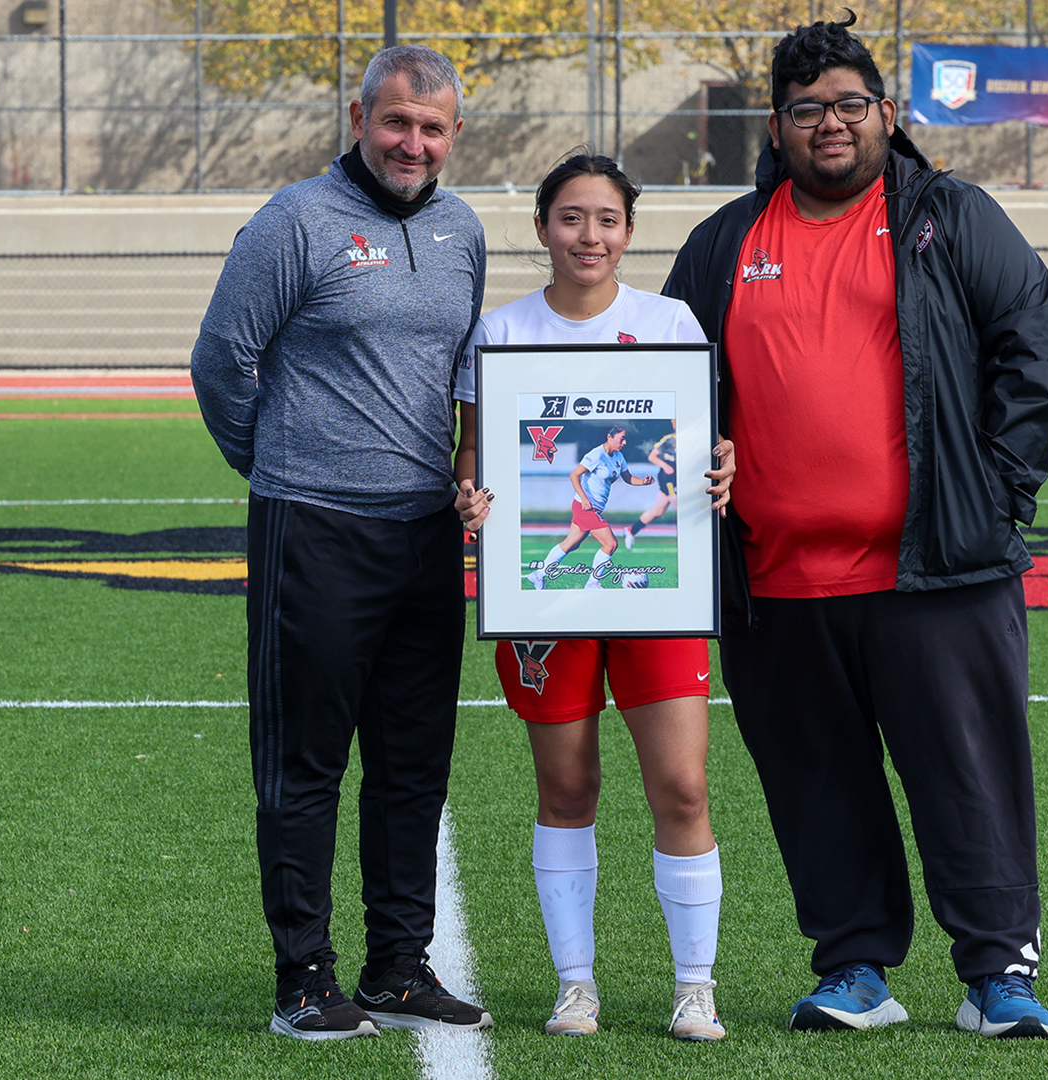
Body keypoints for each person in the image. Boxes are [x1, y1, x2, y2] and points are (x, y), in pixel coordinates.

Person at [662, 15, 1048, 1039]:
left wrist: (998, 491)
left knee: (967, 776)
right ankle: (855, 968)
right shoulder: (725, 243)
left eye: (852, 105)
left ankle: (998, 975)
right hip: (779, 583)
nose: (832, 125)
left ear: (889, 114)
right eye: (809, 110)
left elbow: (1038, 346)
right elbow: (661, 386)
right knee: (817, 787)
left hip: (936, 570)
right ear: (777, 126)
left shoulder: (948, 215)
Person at [190, 45, 492, 1042]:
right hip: (312, 531)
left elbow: (463, 378)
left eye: (433, 127)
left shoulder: (462, 231)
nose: (413, 142)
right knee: (305, 765)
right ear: (357, 115)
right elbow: (222, 360)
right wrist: (280, 468)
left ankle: (400, 967)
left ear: (454, 135)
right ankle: (303, 978)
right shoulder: (294, 222)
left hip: (421, 538)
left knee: (413, 762)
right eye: (397, 121)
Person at [451, 152, 737, 1041]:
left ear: (629, 230)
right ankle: (576, 984)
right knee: (566, 788)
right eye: (571, 218)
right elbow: (474, 453)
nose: (589, 236)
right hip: (546, 610)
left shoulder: (671, 320)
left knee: (683, 788)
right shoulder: (500, 333)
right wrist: (470, 492)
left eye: (606, 219)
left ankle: (697, 984)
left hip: (658, 593)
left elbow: (700, 444)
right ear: (542, 228)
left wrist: (720, 469)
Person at [525, 424, 656, 589]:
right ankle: (593, 583)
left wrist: (644, 482)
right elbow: (574, 475)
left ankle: (538, 575)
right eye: (621, 438)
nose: (624, 442)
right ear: (610, 437)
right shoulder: (596, 455)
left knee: (571, 544)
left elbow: (628, 478)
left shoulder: (618, 457)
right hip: (585, 507)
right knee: (611, 544)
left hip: (594, 508)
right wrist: (584, 498)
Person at [625, 424, 677, 550]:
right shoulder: (669, 439)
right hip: (668, 477)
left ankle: (632, 530)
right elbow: (652, 456)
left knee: (657, 511)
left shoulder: (691, 439)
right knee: (680, 506)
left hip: (679, 477)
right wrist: (665, 466)